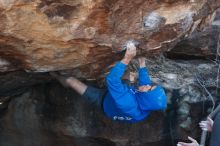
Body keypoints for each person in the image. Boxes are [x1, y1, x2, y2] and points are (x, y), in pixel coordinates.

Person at [50, 42, 167, 123]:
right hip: (123, 95)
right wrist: (142, 64)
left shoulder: (128, 104)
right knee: (131, 74)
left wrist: (127, 58)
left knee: (71, 81)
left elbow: (112, 80)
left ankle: (56, 77)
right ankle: (111, 82)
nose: (148, 85)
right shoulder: (146, 101)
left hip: (103, 100)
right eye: (151, 86)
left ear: (146, 98)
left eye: (149, 89)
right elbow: (145, 84)